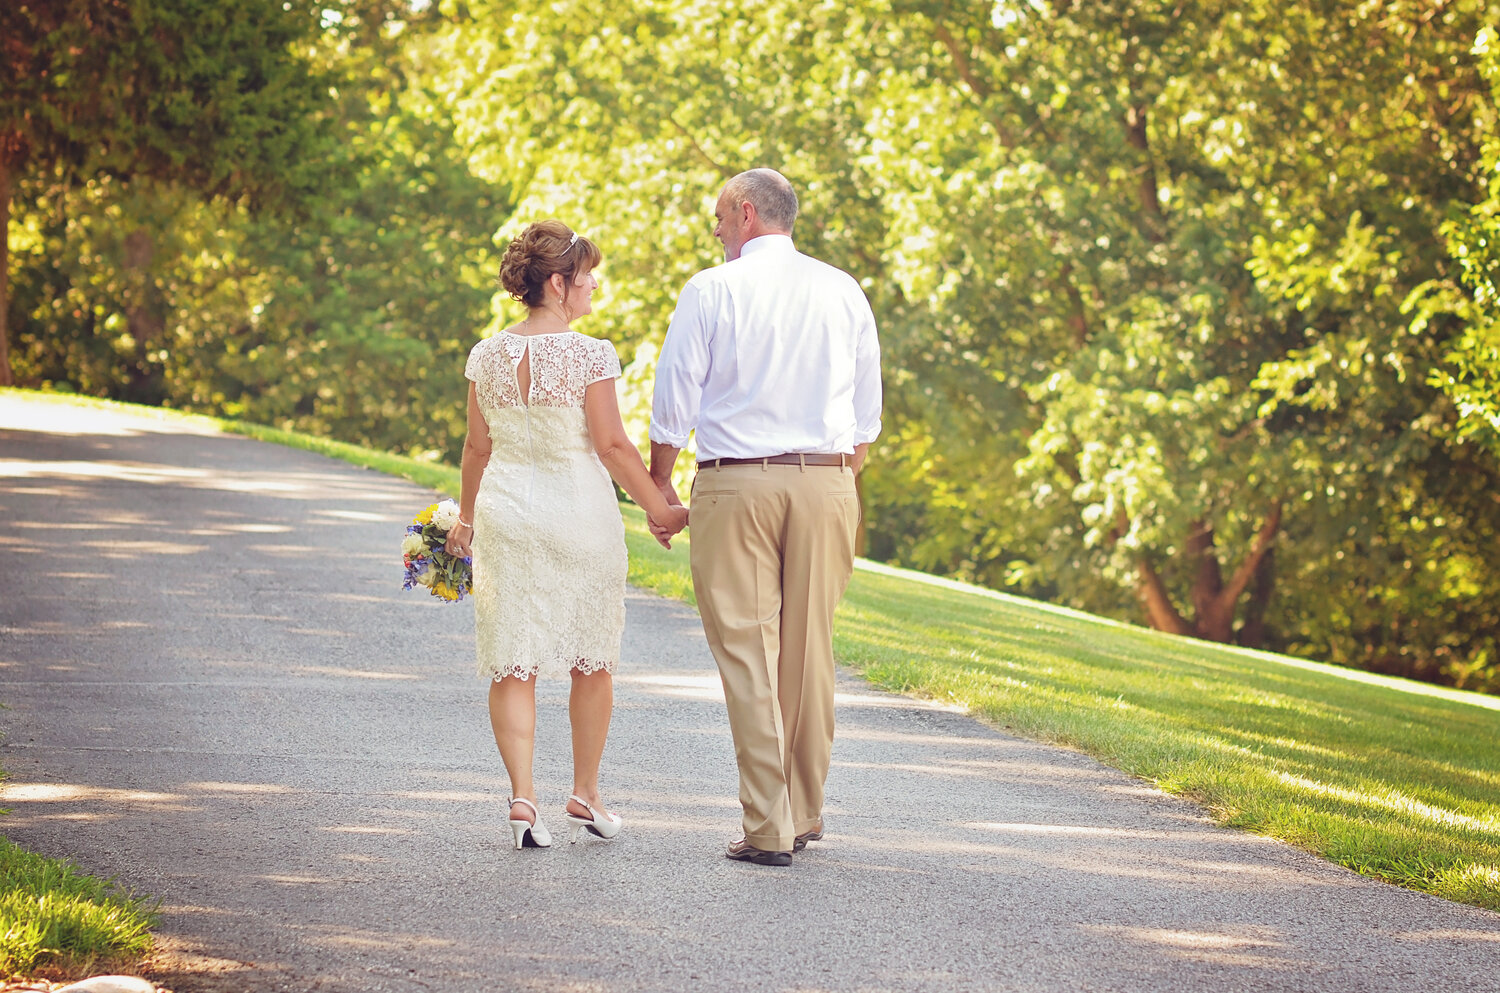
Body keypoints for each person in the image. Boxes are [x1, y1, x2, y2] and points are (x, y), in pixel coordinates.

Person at [648, 169, 883, 866]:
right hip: (830, 482)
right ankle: (804, 813)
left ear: (745, 213)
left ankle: (767, 825)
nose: (716, 231)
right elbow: (866, 412)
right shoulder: (844, 288)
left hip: (736, 485)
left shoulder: (712, 289)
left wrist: (660, 485)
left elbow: (674, 399)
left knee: (749, 655)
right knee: (809, 652)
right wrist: (832, 481)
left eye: (719, 218)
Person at [446, 220, 688, 851]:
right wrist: (659, 508)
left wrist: (465, 520)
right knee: (592, 656)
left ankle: (524, 798)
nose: (593, 287)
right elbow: (610, 444)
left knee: (513, 658)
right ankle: (586, 789)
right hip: (578, 515)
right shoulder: (589, 354)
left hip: (505, 515)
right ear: (557, 284)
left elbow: (477, 447)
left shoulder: (486, 355)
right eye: (586, 277)